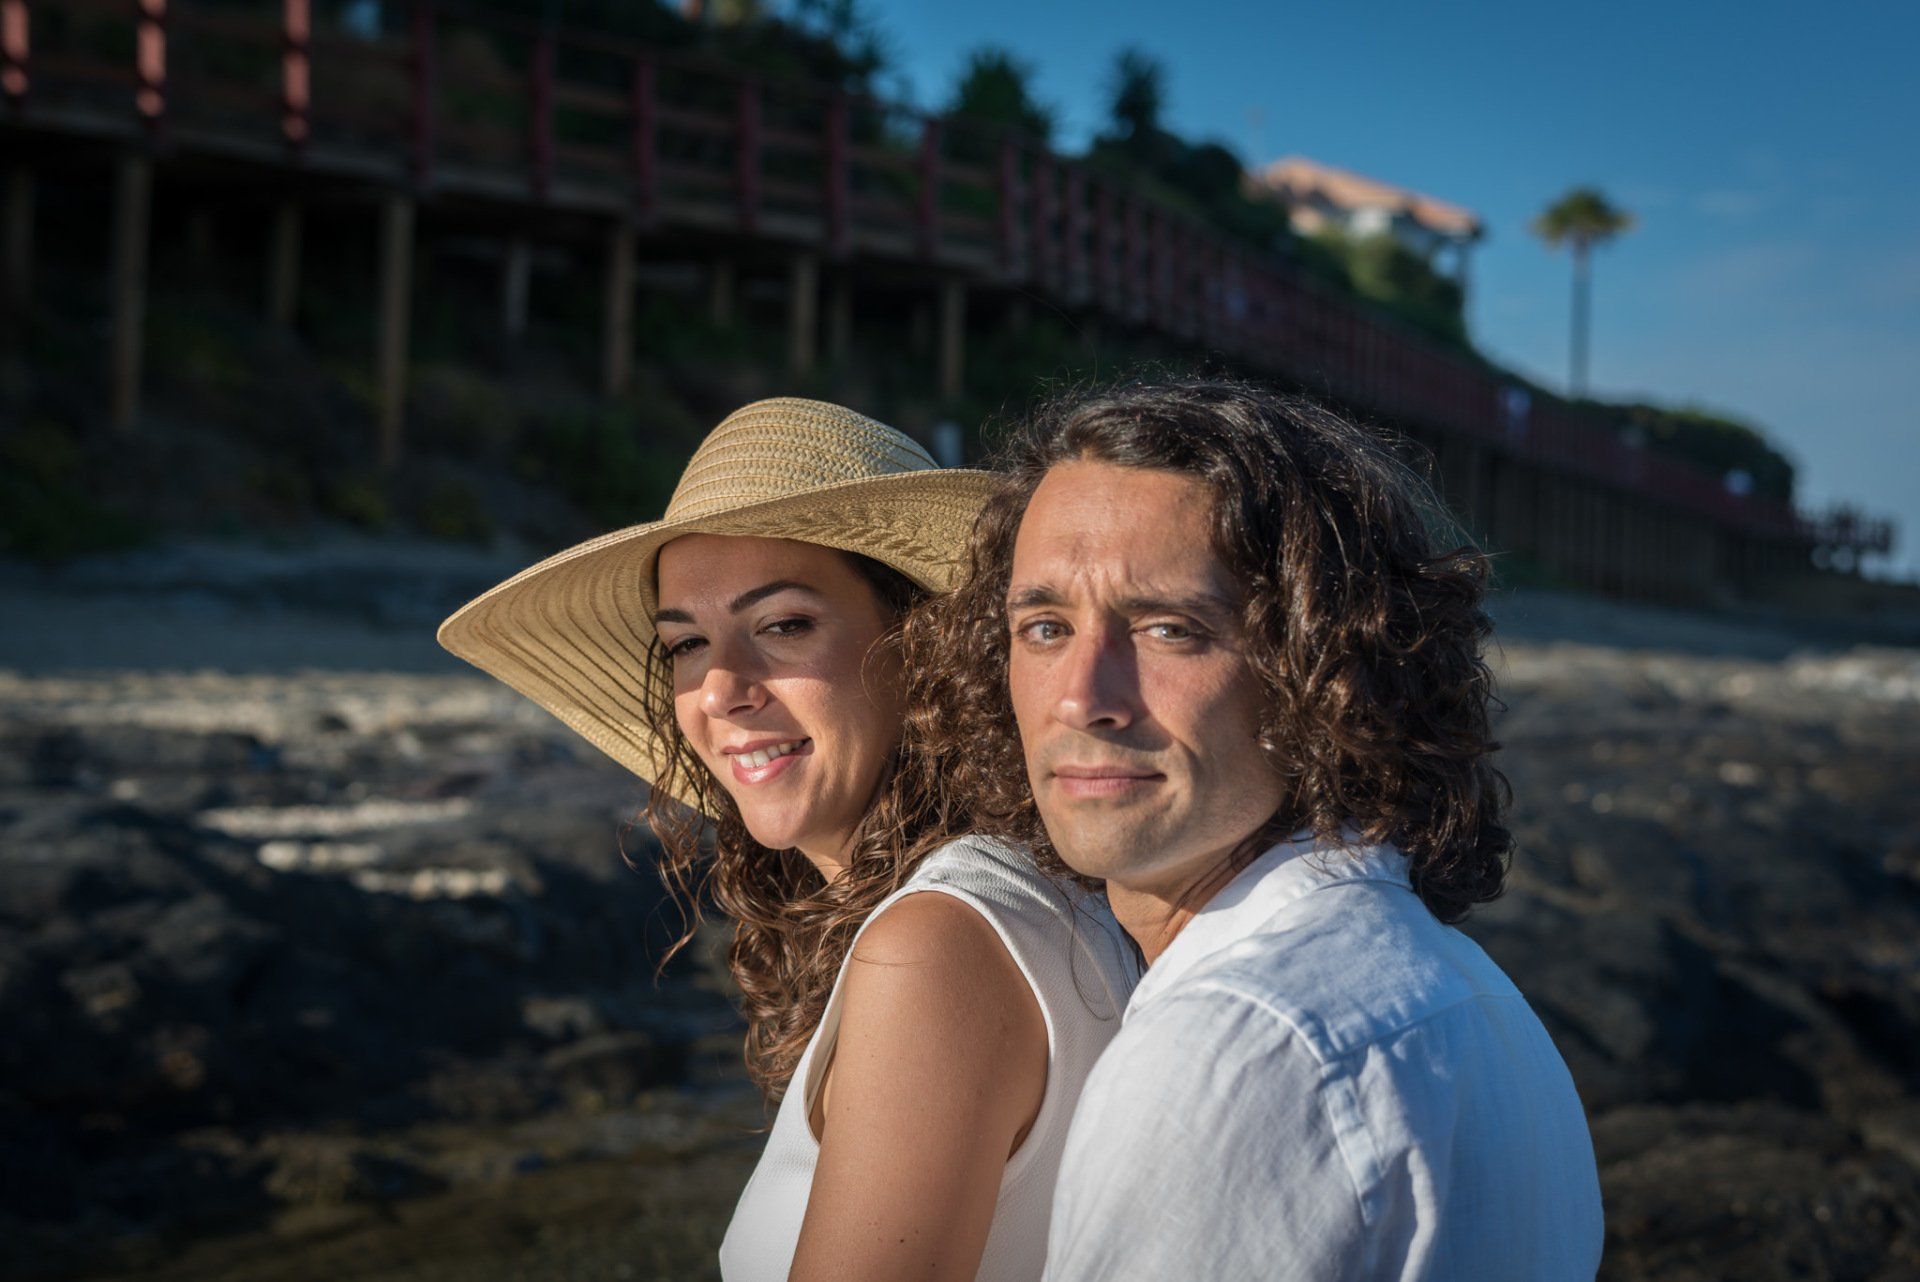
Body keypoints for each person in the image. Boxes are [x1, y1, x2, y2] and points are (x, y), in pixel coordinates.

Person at [909, 378, 1604, 1279]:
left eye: (1169, 630)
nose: (1081, 698)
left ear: (1323, 665)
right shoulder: (1480, 1000)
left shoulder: (1230, 1049)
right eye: (1044, 627)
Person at [437, 397, 1139, 1282]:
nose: (720, 687)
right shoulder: (1012, 901)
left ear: (926, 646)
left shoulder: (935, 946)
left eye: (783, 626)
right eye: (686, 644)